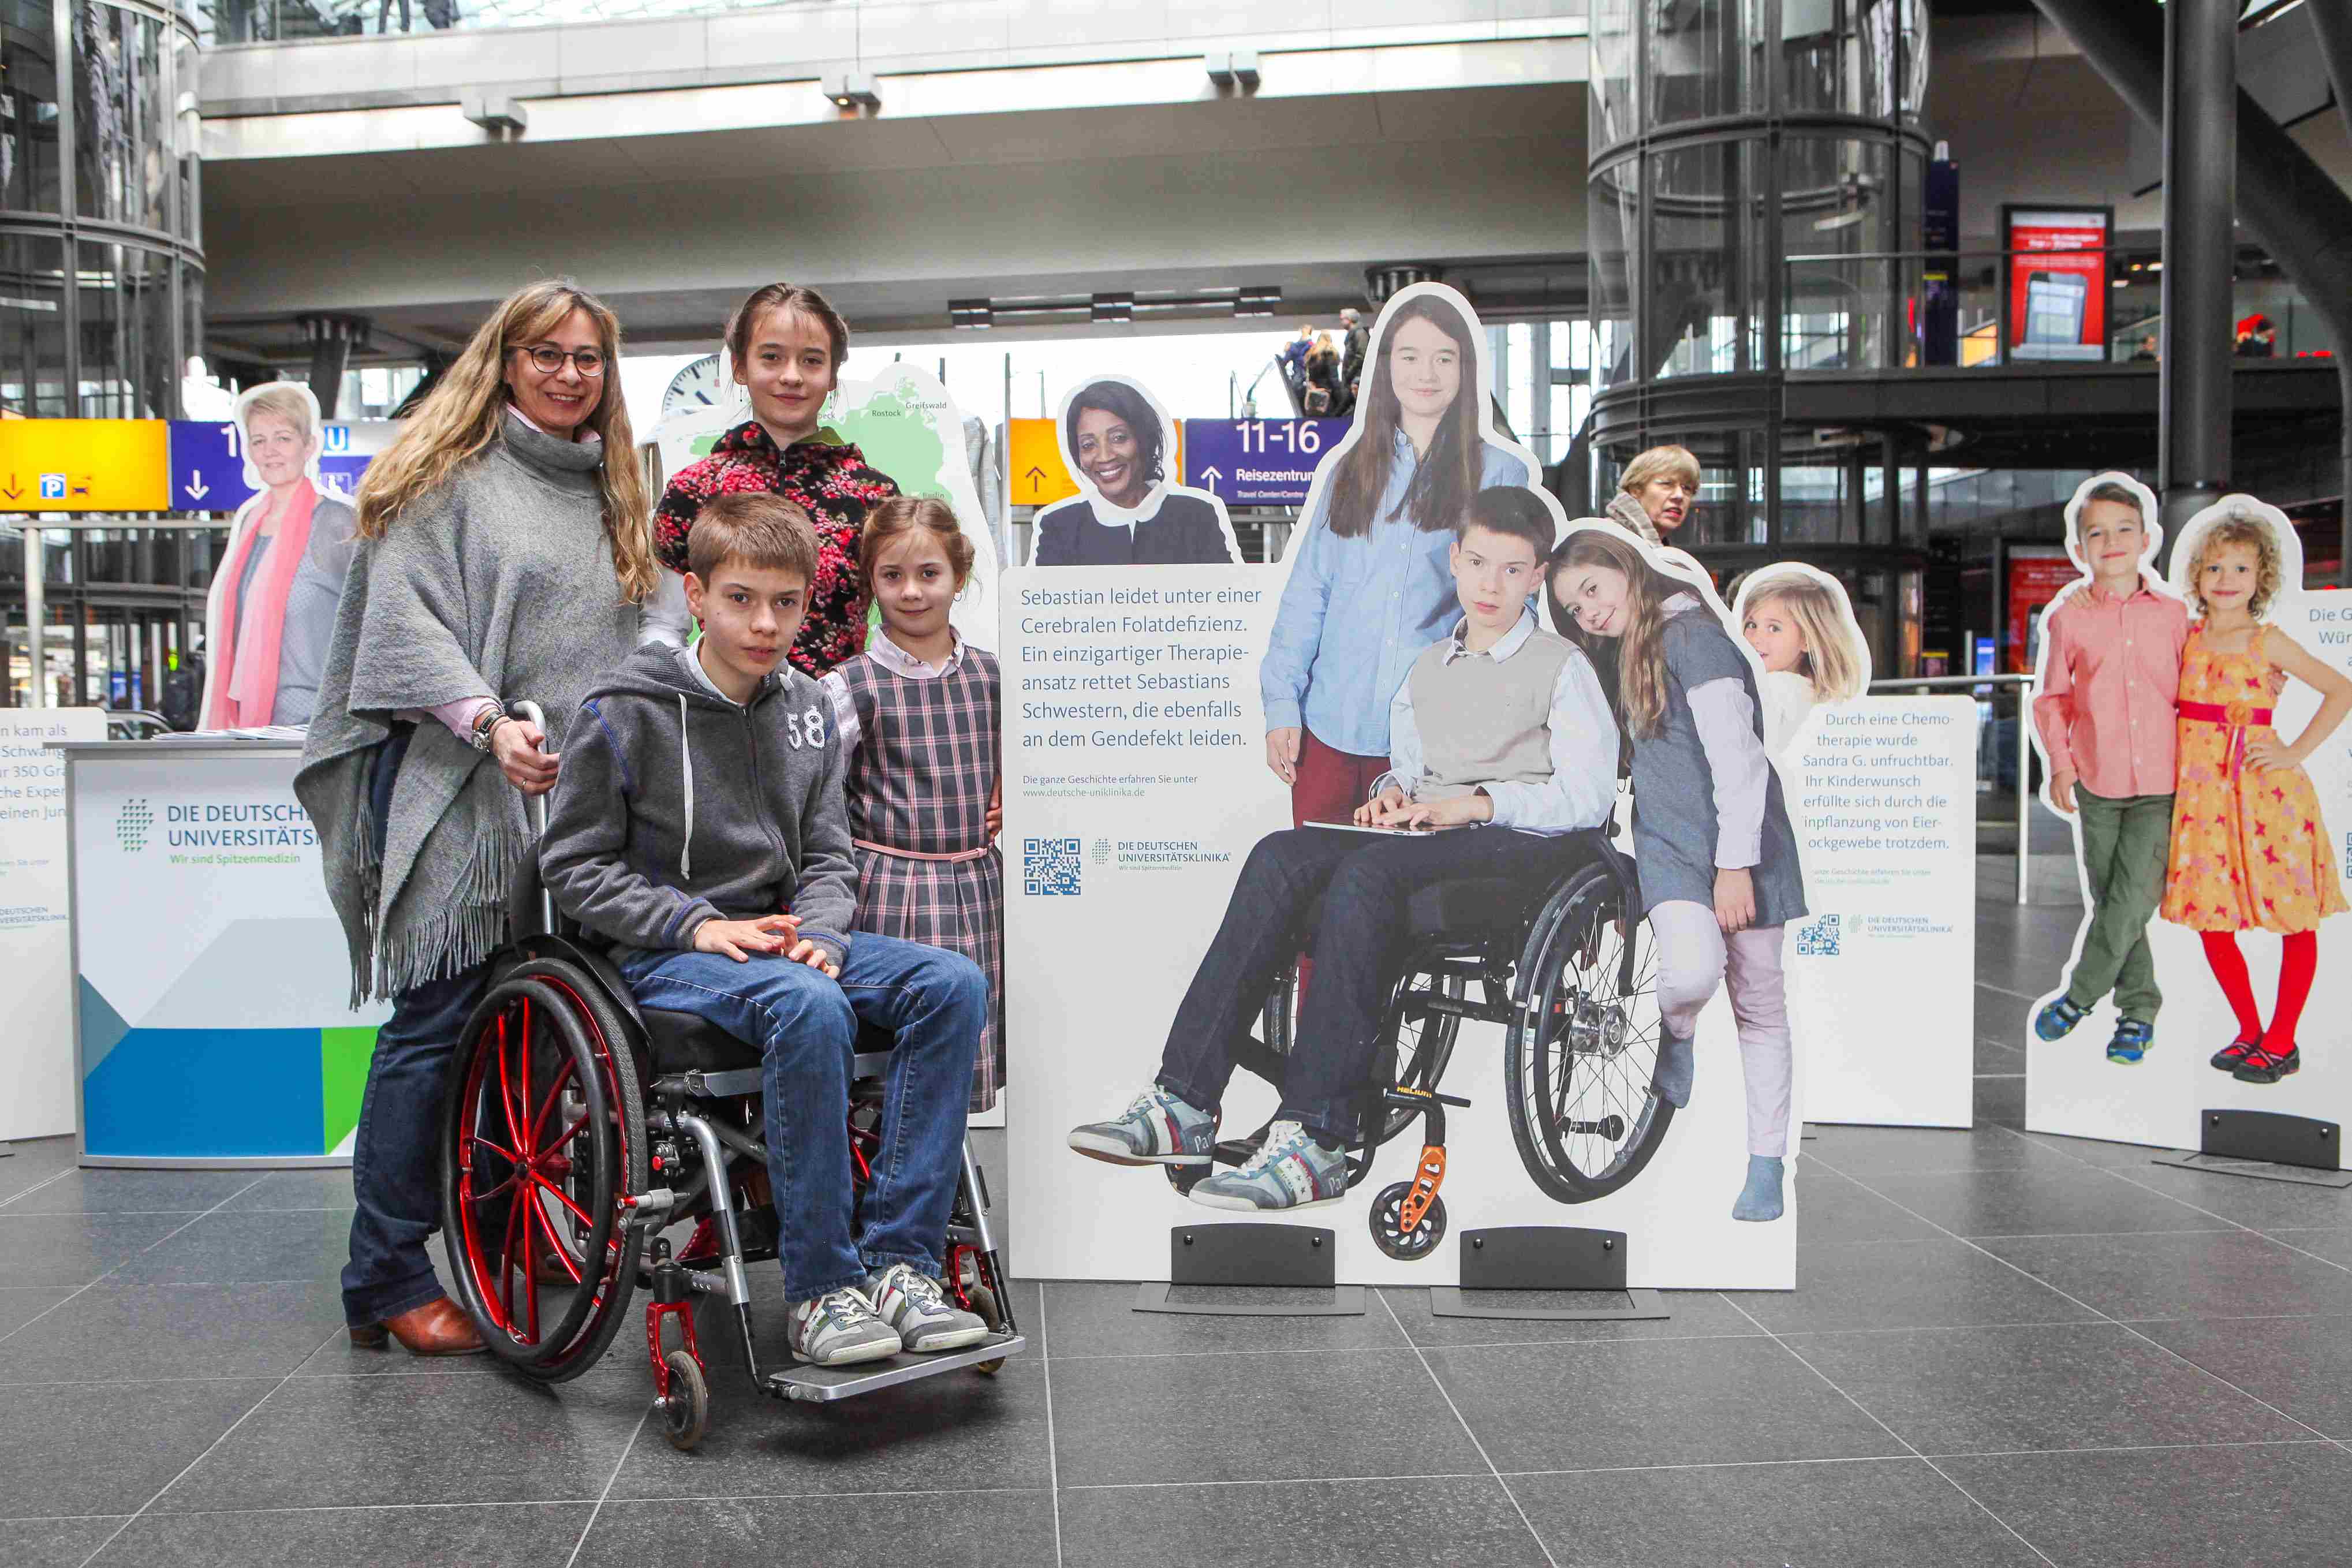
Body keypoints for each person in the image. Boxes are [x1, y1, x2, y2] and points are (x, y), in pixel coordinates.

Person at [1067, 488, 1614, 1209]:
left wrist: (1479, 804)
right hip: (1434, 838)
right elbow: (1414, 768)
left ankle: (1318, 1135)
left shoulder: (1562, 667)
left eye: (1512, 570)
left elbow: (1588, 799)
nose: (1490, 583)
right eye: (1478, 563)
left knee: (1365, 874)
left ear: (1538, 577)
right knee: (1279, 855)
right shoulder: (1428, 669)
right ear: (1453, 560)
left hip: (1524, 850)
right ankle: (1185, 1102)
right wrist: (1392, 791)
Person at [541, 492, 992, 1367]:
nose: (766, 623)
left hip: (785, 940)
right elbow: (574, 867)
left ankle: (902, 1266)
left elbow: (829, 855)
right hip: (662, 956)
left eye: (785, 603)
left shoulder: (810, 710)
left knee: (952, 983)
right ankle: (822, 1290)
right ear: (696, 594)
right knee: (808, 1005)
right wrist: (696, 925)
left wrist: (822, 932)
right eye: (742, 598)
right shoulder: (623, 710)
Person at [296, 279, 657, 1356]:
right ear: (504, 362)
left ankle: (516, 1226)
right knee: (437, 1030)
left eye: (587, 357)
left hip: (583, 807)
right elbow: (400, 630)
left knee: (556, 1044)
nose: (567, 374)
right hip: (468, 799)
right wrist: (491, 725)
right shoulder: (446, 479)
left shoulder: (616, 489)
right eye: (545, 354)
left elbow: (641, 631)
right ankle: (386, 1279)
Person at [1548, 526, 1804, 1222]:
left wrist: (1735, 868)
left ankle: (1765, 1164)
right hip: (1668, 845)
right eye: (1575, 608)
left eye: (1594, 590)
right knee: (1689, 973)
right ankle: (1679, 1032)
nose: (1590, 612)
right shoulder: (1626, 650)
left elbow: (1740, 764)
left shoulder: (1695, 639)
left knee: (1759, 1003)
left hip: (1744, 847)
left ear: (1625, 566)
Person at [1261, 288, 1532, 830]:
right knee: (1313, 894)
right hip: (1328, 730)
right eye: (1409, 357)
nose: (1425, 373)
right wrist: (1282, 706)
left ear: (1465, 369)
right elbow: (1308, 594)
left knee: (1399, 907)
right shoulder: (1348, 470)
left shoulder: (1500, 474)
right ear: (1386, 369)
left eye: (1443, 357)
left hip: (1430, 743)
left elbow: (1510, 616)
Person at [819, 496, 1005, 1112]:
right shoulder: (847, 686)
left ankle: (948, 1178)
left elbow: (1016, 770)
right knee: (896, 1064)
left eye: (929, 574)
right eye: (892, 576)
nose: (912, 592)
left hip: (977, 888)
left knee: (964, 1047)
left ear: (959, 576)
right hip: (891, 894)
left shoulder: (993, 676)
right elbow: (815, 797)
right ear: (870, 583)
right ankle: (890, 1173)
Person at [2159, 505, 2352, 1084]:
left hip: (2269, 800)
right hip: (2205, 803)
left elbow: (2341, 689)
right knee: (2212, 917)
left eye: (2240, 569)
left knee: (2295, 917)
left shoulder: (2268, 642)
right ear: (2197, 576)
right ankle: (2249, 1028)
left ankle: (2283, 1038)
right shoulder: (2187, 640)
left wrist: (2293, 752)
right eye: (2215, 568)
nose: (2226, 580)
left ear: (2259, 577)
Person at [648, 282, 902, 674]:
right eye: (771, 357)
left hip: (841, 719)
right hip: (721, 720)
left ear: (833, 375)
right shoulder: (693, 490)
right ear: (740, 367)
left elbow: (903, 624)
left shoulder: (875, 495)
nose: (791, 376)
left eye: (812, 361)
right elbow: (664, 627)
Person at [2029, 483, 2189, 1065]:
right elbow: (2052, 699)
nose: (2111, 541)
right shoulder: (2068, 619)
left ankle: (2080, 995)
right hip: (2098, 782)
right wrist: (2061, 766)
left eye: (2124, 529)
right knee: (2112, 900)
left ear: (2148, 539)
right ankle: (2139, 1009)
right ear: (2079, 548)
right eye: (2097, 532)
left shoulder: (2175, 617)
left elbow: (2197, 690)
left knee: (2130, 901)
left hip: (2164, 787)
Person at [199, 383, 360, 728]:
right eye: (259, 441)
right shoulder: (250, 525)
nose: (270, 451)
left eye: (283, 438)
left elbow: (374, 617)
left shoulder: (337, 521)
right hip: (254, 723)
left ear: (309, 445)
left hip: (321, 724)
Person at [1030, 379, 1235, 566]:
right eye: (1088, 445)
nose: (1104, 456)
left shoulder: (1197, 517)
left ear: (1144, 439)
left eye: (1118, 438)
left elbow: (1225, 599)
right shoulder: (1058, 528)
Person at [1738, 568, 1868, 757]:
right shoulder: (1814, 694)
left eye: (1774, 628)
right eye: (1752, 625)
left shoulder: (1775, 690)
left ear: (1807, 640)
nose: (1757, 638)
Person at [1604, 445, 1699, 545]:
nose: (1679, 495)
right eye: (1667, 484)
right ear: (1636, 490)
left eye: (1687, 488)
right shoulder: (1604, 541)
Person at [1304, 330, 1341, 415]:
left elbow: (1310, 378)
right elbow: (1333, 378)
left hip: (1313, 395)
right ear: (1330, 340)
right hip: (1327, 395)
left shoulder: (1312, 354)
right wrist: (1340, 397)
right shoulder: (1330, 354)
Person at [1340, 307, 1369, 412]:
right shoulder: (1354, 334)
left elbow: (1361, 355)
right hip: (1353, 378)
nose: (1341, 322)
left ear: (1350, 319)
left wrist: (1349, 372)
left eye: (1343, 319)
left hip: (1357, 378)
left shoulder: (1359, 333)